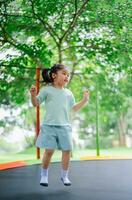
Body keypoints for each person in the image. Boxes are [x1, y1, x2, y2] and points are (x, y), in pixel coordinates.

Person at [30, 64, 89, 187]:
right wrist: (33, 95)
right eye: (64, 73)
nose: (67, 76)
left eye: (68, 75)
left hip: (64, 127)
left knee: (67, 151)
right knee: (49, 151)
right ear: (54, 75)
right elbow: (36, 103)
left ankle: (64, 176)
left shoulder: (68, 93)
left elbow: (73, 108)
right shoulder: (47, 90)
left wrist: (84, 100)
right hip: (49, 126)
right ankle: (44, 175)